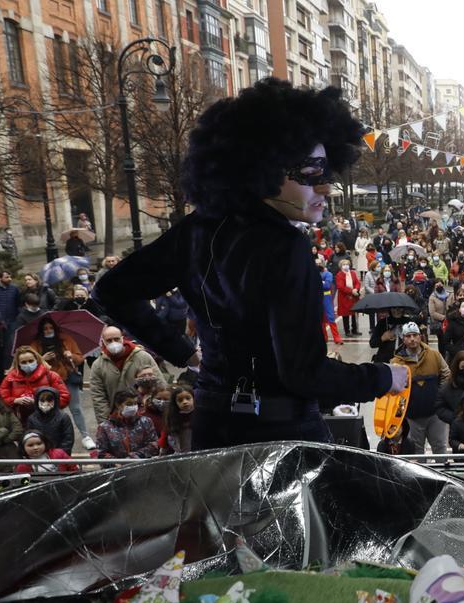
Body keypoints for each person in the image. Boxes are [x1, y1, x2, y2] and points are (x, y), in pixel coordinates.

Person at [92, 79, 407, 449]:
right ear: (264, 171)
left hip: (211, 424)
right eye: (311, 173)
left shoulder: (195, 230)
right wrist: (383, 377)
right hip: (279, 435)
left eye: (327, 172)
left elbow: (112, 290)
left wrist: (185, 353)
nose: (326, 188)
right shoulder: (285, 247)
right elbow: (304, 374)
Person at [29, 315, 90, 448]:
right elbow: (30, 363)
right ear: (41, 330)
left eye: (51, 327)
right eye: (45, 328)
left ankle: (86, 436)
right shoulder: (35, 344)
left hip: (67, 378)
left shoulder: (66, 339)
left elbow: (80, 359)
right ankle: (49, 439)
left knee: (76, 408)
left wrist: (71, 356)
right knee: (48, 410)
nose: (48, 330)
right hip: (47, 382)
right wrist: (42, 358)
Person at [391, 322, 450, 454]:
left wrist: (439, 395)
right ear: (403, 339)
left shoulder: (434, 355)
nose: (412, 339)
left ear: (420, 337)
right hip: (411, 416)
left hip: (435, 415)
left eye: (415, 335)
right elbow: (394, 389)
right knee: (416, 451)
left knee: (440, 448)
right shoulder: (396, 363)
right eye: (408, 336)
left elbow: (446, 374)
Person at [89, 326, 159, 428]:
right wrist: (105, 424)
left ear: (123, 338)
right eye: (109, 340)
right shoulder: (98, 365)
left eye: (116, 339)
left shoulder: (143, 357)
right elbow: (98, 397)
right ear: (103, 342)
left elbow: (159, 384)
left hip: (146, 415)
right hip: (117, 418)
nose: (113, 342)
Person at [0, 346, 70, 425]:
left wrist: (39, 402)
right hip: (21, 423)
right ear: (18, 364)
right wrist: (15, 401)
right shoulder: (10, 379)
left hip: (48, 422)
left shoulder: (51, 376)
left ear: (37, 360)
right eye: (23, 362)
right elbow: (2, 398)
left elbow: (64, 398)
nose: (28, 364)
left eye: (30, 361)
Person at [94, 389, 159, 458]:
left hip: (142, 466)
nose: (133, 407)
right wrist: (116, 463)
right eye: (129, 404)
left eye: (135, 403)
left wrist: (134, 456)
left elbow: (154, 445)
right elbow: (101, 452)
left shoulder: (146, 422)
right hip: (118, 467)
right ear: (118, 405)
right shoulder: (105, 427)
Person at [24, 386, 73, 454]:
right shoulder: (32, 418)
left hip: (60, 456)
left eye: (49, 400)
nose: (45, 403)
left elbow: (68, 439)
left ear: (55, 401)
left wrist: (60, 454)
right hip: (39, 455)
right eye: (42, 401)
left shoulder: (63, 417)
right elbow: (29, 438)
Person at [162, 384, 195, 454]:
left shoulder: (199, 415)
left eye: (188, 398)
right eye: (180, 400)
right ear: (175, 403)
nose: (185, 402)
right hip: (180, 452)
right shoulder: (172, 417)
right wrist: (162, 448)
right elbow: (165, 434)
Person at [335, 258, 363, 337]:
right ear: (341, 266)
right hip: (344, 297)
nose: (346, 266)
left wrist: (356, 289)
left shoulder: (353, 273)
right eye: (344, 265)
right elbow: (340, 286)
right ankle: (347, 331)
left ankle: (354, 329)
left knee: (354, 313)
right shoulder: (339, 275)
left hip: (354, 297)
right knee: (345, 314)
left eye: (347, 264)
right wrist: (351, 291)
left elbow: (357, 282)